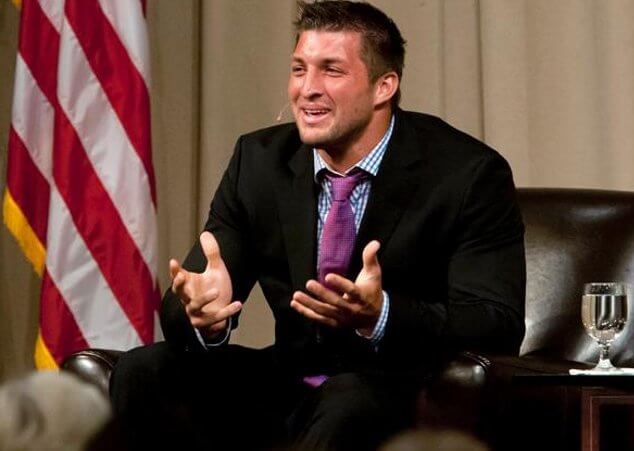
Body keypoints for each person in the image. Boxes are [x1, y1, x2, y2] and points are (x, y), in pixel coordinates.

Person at [111, 1, 525, 450]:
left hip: (397, 386)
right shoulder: (260, 161)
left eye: (331, 71)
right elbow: (196, 288)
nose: (306, 89)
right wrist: (202, 316)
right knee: (142, 371)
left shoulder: (466, 174)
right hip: (287, 379)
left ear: (384, 86)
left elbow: (494, 322)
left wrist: (381, 314)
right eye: (298, 69)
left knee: (347, 402)